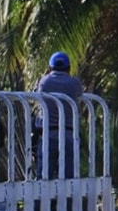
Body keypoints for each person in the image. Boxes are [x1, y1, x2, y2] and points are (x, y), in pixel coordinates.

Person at [35, 51, 83, 179]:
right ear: (69, 68)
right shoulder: (74, 83)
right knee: (69, 178)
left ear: (50, 67)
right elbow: (80, 94)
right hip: (69, 134)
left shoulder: (44, 82)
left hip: (48, 133)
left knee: (44, 177)